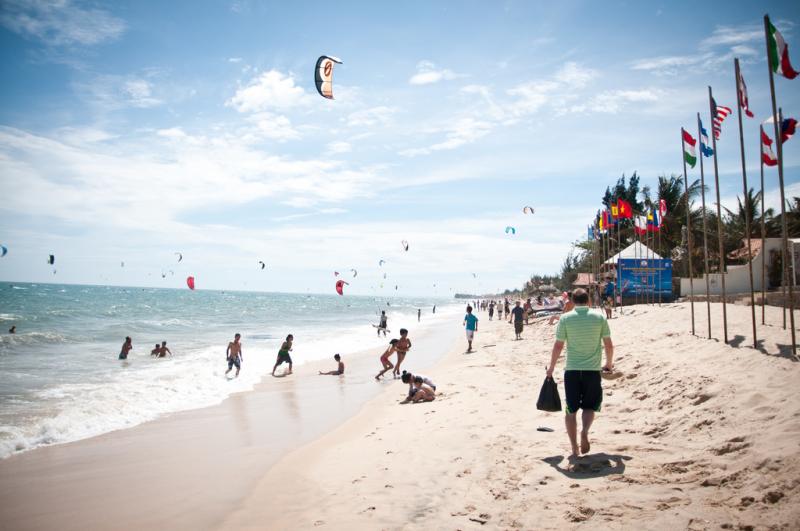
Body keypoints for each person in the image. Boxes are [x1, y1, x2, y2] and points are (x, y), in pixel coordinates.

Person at [546, 288, 613, 459]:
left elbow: (558, 346)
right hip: (592, 371)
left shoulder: (566, 319)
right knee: (590, 407)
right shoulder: (599, 317)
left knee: (571, 410)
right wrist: (608, 364)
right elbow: (608, 344)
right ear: (589, 301)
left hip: (572, 371)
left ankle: (574, 447)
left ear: (573, 301)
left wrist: (551, 368)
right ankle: (584, 432)